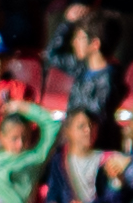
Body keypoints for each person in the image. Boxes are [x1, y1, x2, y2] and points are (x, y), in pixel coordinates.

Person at [18, 108, 112, 203]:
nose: (88, 131)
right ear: (69, 131)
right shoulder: (59, 160)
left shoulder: (105, 160)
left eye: (91, 126)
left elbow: (110, 201)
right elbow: (54, 189)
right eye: (81, 127)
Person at [42, 9, 126, 143]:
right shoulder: (80, 67)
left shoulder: (109, 81)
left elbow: (94, 120)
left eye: (79, 38)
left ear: (95, 44)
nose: (74, 42)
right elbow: (51, 55)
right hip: (71, 142)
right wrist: (67, 24)